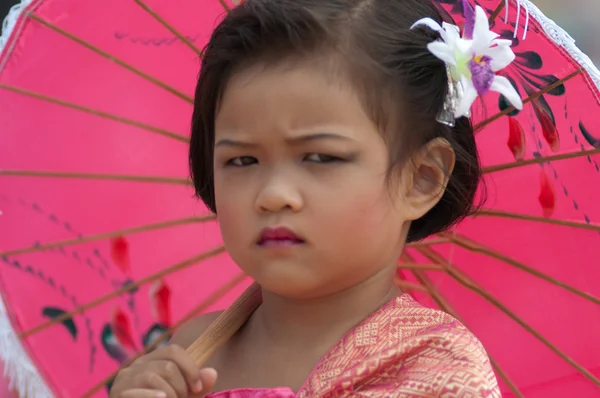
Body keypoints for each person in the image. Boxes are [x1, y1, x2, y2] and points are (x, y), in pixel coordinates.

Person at [109, 0, 522, 396]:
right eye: (242, 160)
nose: (272, 195)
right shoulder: (191, 356)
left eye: (321, 157)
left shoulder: (437, 369)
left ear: (422, 179)